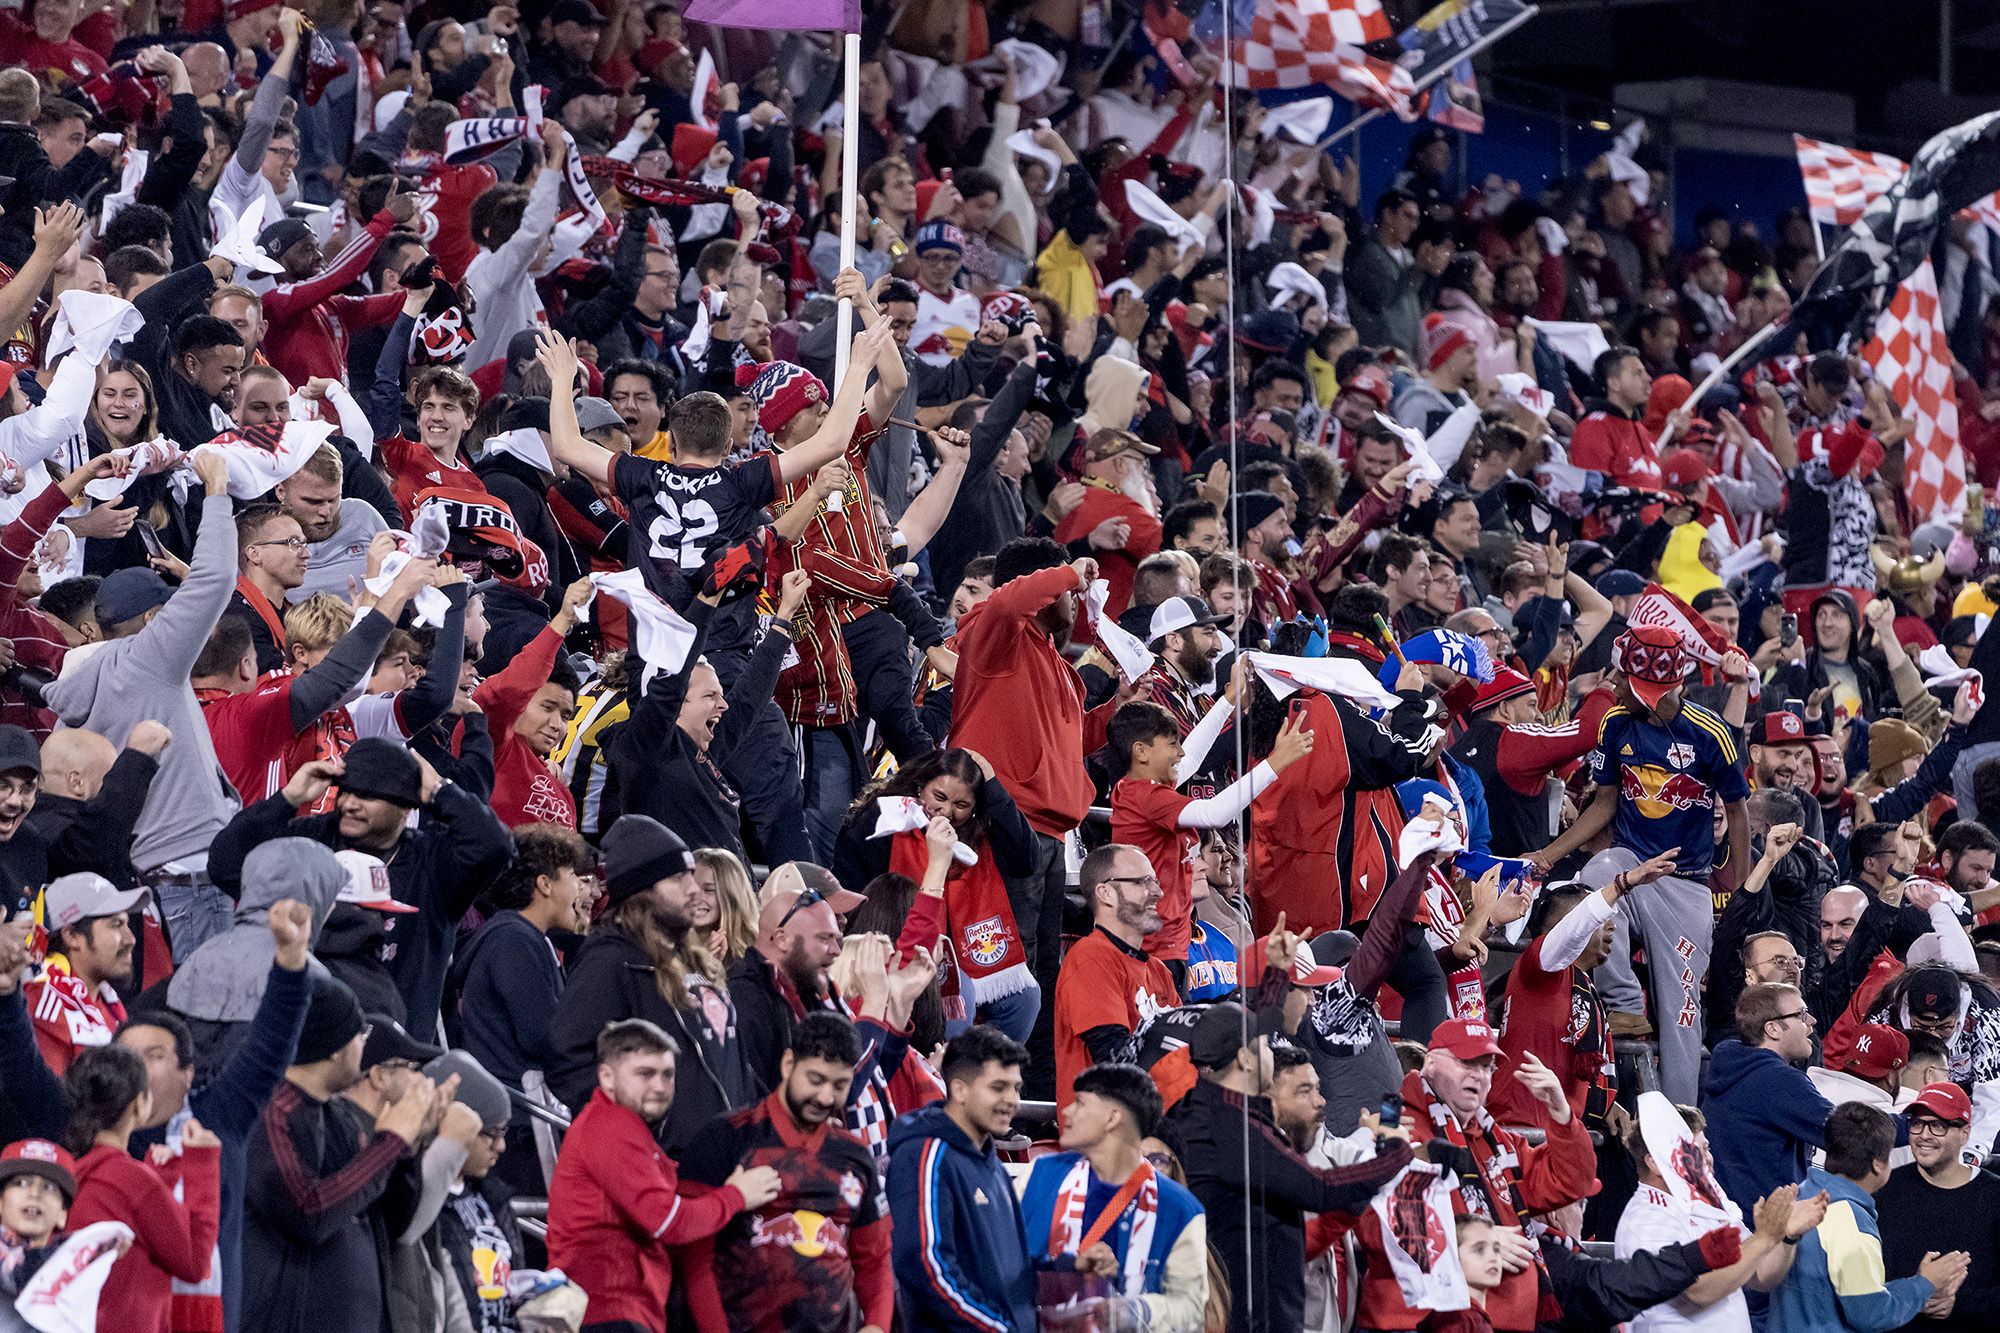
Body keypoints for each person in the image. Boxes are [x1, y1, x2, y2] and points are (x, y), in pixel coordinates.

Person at [1528, 625, 1751, 1102]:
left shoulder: (1712, 734)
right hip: (1630, 861)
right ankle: (1625, 1002)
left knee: (1682, 1015)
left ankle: (1682, 1124)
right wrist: (1548, 856)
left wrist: (1741, 891)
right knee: (1595, 876)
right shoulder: (1614, 723)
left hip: (1686, 880)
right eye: (1630, 684)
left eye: (1645, 690)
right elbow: (1604, 804)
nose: (1634, 695)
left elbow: (1737, 811)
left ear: (1678, 685)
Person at [204, 739, 513, 1043]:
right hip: (304, 1041)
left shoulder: (434, 862)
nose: (349, 804)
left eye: (367, 795)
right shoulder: (313, 840)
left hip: (393, 1051)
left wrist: (440, 790)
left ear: (406, 805)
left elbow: (495, 845)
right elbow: (226, 865)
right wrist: (288, 798)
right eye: (347, 790)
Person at [115, 898, 314, 1333]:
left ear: (187, 1072)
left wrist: (291, 960)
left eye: (153, 1056)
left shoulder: (218, 1119)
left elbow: (272, 1043)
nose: (137, 1068)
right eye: (126, 1057)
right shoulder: (94, 1129)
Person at [1170, 992, 1415, 1333]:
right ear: (1245, 1059)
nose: (1272, 1051)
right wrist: (1396, 1155)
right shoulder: (1232, 1127)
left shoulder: (1200, 1108)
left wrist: (1275, 978)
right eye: (1266, 1047)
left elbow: (1249, 1030)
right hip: (1250, 1314)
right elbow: (1319, 1188)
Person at [1359, 1017, 1596, 1333]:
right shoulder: (1392, 1119)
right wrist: (1468, 1242)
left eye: (1487, 1067)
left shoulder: (1491, 1136)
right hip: (1425, 1322)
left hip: (1502, 1319)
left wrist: (1561, 1112)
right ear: (1430, 1063)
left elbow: (1570, 1182)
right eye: (1466, 1062)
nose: (1479, 1075)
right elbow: (1378, 1227)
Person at [545, 1018, 782, 1333]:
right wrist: (736, 1195)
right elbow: (670, 1223)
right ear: (607, 1076)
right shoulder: (610, 1127)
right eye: (645, 1074)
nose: (659, 1086)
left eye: (667, 1075)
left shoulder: (627, 1130)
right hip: (605, 1312)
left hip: (616, 1310)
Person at [544, 816, 756, 1153]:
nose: (693, 888)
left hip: (727, 1164)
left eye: (691, 874)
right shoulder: (610, 961)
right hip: (665, 1171)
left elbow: (729, 1062)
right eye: (677, 878)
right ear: (641, 892)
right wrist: (645, 1137)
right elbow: (569, 1065)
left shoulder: (695, 961)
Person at [241, 972, 435, 1333]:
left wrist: (406, 1148)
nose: (363, 1050)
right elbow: (308, 1212)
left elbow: (393, 1219)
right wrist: (391, 1141)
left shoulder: (336, 1115)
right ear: (334, 1046)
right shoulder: (271, 1113)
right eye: (359, 1036)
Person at [677, 1011, 894, 1333]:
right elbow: (693, 1259)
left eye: (840, 1085)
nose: (825, 1097)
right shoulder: (724, 1138)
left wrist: (876, 1324)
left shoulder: (856, 1156)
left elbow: (875, 1259)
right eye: (816, 1080)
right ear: (788, 1064)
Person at [1018, 1062, 1208, 1332]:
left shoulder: (1179, 1208)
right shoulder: (1039, 1176)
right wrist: (1066, 1267)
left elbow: (1190, 1307)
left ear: (1112, 1118)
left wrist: (1138, 1310)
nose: (1067, 1111)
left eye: (1080, 1103)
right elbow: (1000, 1262)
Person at [1613, 1105, 1823, 1333]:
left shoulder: (1710, 1206)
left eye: (1707, 1148)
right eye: (1696, 1151)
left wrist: (1786, 1236)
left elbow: (1761, 1276)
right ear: (1655, 1162)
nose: (1708, 1159)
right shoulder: (1646, 1219)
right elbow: (1699, 1291)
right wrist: (1765, 1238)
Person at [886, 1025, 1038, 1333]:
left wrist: (1067, 1266)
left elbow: (1009, 1268)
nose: (1012, 1100)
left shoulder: (989, 1160)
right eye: (998, 1087)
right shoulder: (924, 1154)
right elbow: (925, 1263)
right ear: (959, 1090)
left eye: (1016, 1088)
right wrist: (996, 1328)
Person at [62, 1044, 222, 1333]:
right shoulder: (134, 1182)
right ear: (139, 1104)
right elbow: (194, 1264)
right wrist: (202, 1166)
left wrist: (157, 1177)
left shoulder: (69, 1172)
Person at [1769, 1102, 1967, 1333]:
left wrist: (1914, 1288)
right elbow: (1871, 1314)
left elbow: (1849, 1293)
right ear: (1878, 1165)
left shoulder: (1801, 1195)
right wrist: (1925, 1284)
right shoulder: (1851, 1221)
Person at [1052, 843, 1179, 1107]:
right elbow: (1115, 1065)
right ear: (1106, 892)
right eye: (1142, 882)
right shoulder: (1091, 957)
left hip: (1157, 1131)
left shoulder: (1158, 971)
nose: (1157, 891)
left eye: (1155, 881)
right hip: (1109, 1137)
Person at [1874, 1081, 2000, 1331]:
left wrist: (1957, 1305)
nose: (1924, 1135)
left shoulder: (1994, 1197)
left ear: (1965, 1132)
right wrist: (1913, 1293)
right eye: (1917, 1123)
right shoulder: (1885, 1191)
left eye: (1938, 1126)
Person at [1705, 982, 1835, 1221]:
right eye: (1801, 1014)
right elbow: (1849, 1132)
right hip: (1762, 1230)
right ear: (1773, 1029)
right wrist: (1911, 1124)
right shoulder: (1776, 1079)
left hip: (1727, 1225)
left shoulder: (1735, 1064)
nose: (1812, 1021)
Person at [26, 872, 144, 1074]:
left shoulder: (105, 997)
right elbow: (52, 1103)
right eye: (116, 925)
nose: (130, 939)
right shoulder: (45, 1002)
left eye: (127, 924)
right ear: (72, 936)